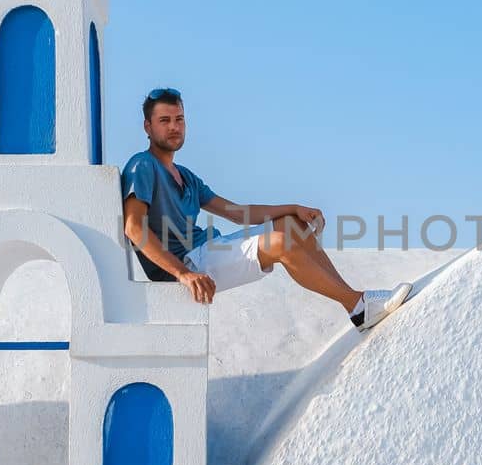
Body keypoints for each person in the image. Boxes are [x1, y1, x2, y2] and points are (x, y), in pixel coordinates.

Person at [120, 87, 413, 331]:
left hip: (207, 249)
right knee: (281, 243)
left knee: (290, 225)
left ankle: (357, 308)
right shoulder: (142, 165)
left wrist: (293, 208)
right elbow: (134, 228)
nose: (174, 127)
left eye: (179, 119)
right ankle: (358, 304)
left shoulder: (185, 175)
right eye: (164, 120)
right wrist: (184, 274)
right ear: (148, 127)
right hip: (185, 264)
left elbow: (236, 212)